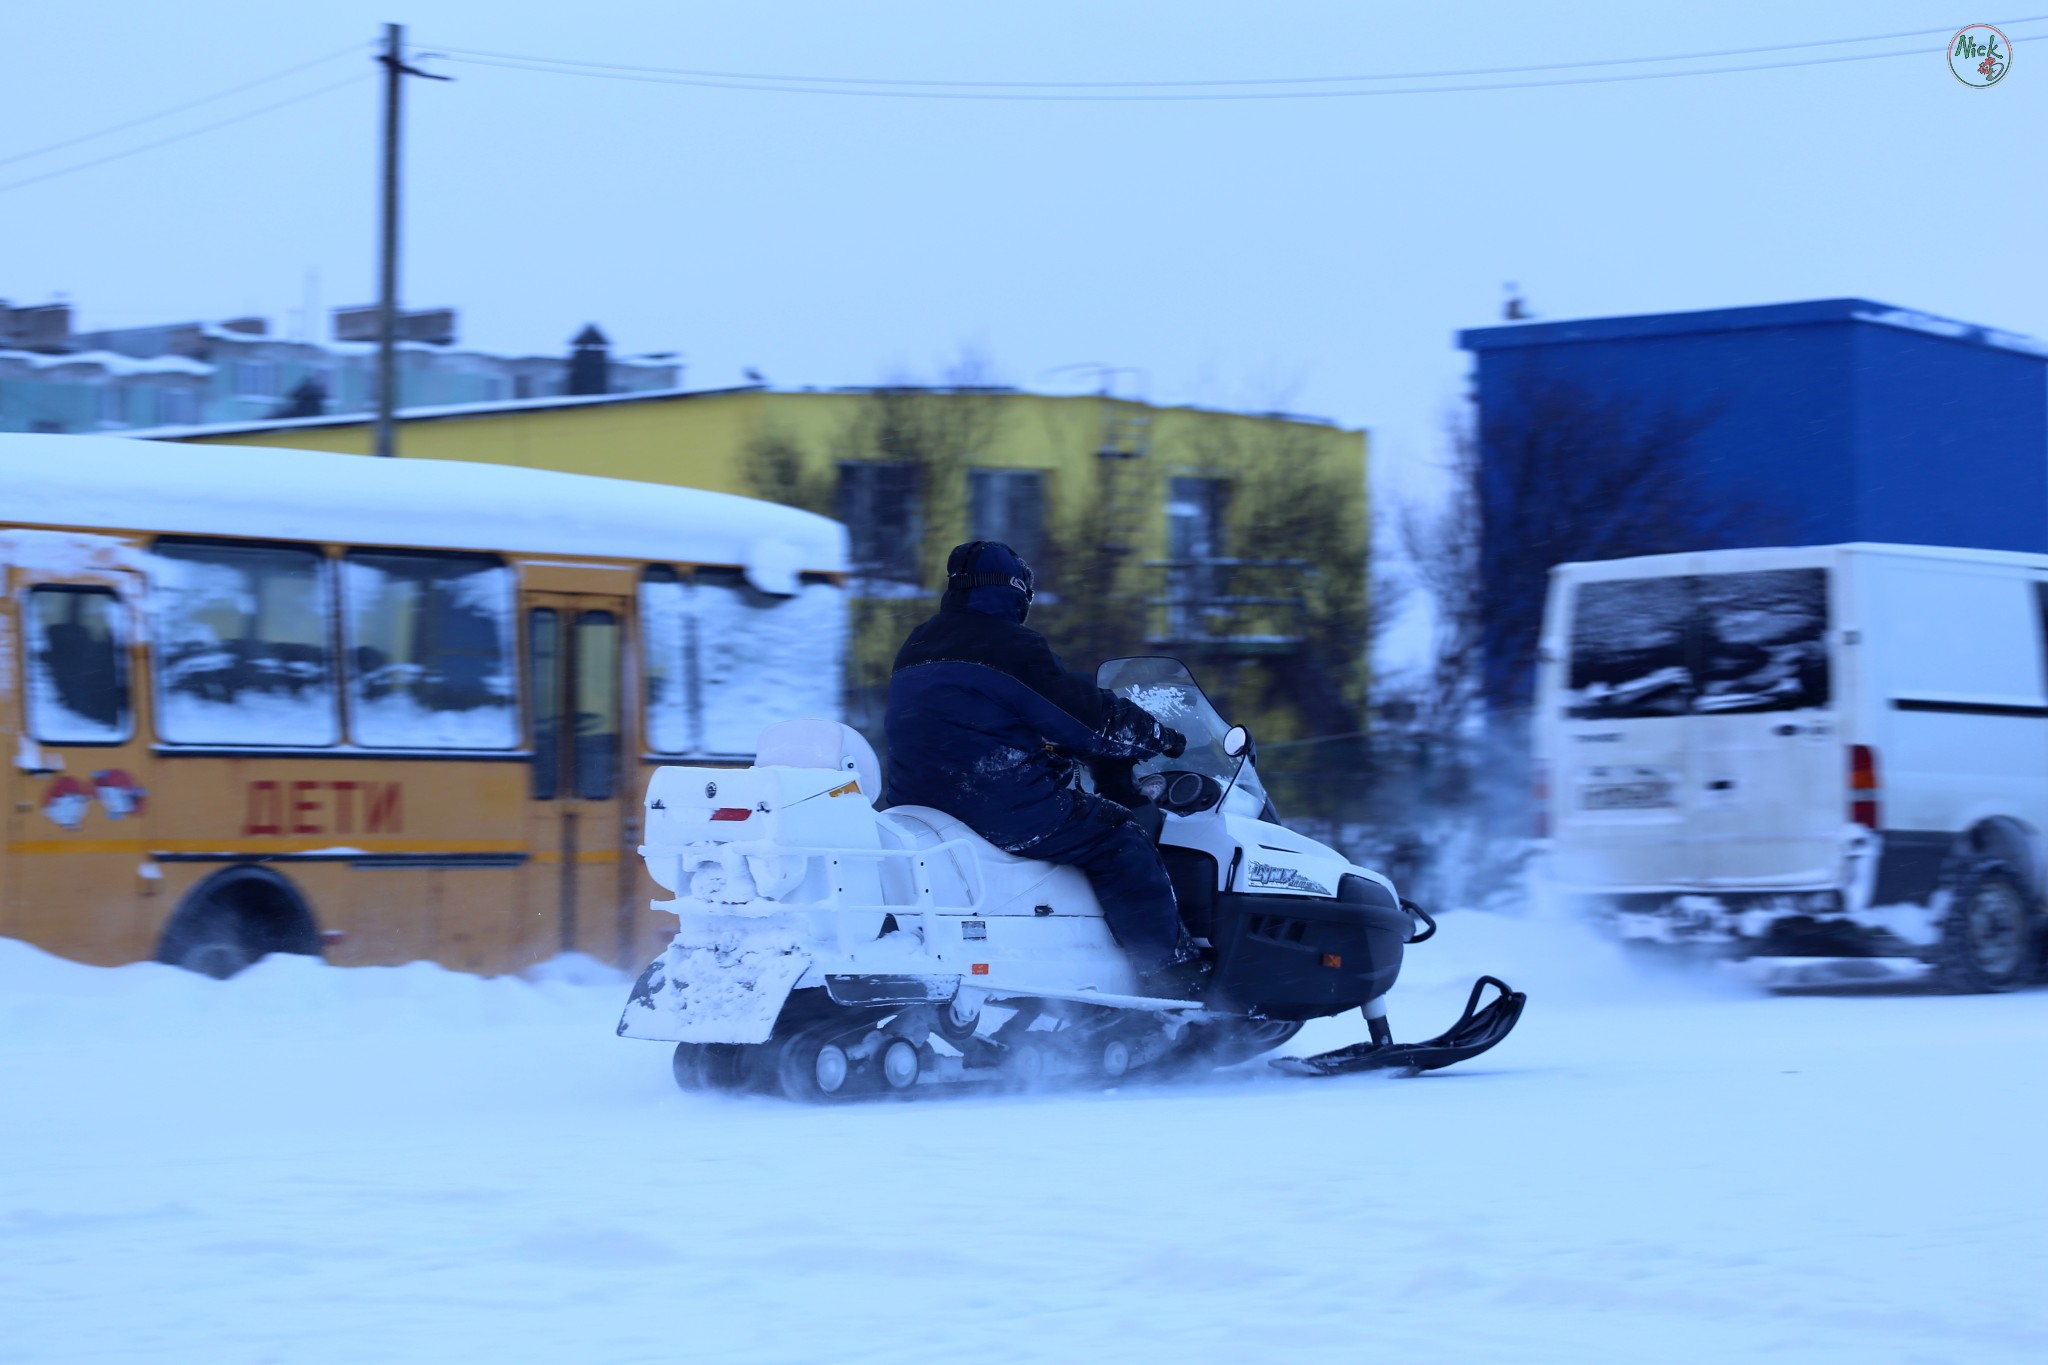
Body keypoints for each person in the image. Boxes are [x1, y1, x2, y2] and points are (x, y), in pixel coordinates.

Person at [884, 541, 1208, 995]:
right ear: (1018, 592)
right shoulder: (1009, 645)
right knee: (1118, 835)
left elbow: (967, 725)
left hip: (919, 804)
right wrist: (1159, 735)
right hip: (995, 807)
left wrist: (1049, 752)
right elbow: (1086, 718)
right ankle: (1171, 975)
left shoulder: (918, 642)